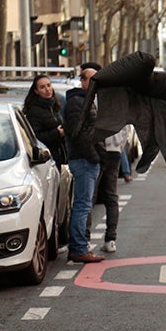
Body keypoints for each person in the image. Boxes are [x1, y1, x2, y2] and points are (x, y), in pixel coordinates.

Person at [64, 66, 104, 263]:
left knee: (84, 205)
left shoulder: (85, 100)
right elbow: (78, 133)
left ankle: (79, 246)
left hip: (86, 159)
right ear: (84, 81)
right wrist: (94, 156)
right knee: (82, 205)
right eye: (94, 79)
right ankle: (79, 248)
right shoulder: (76, 102)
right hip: (83, 160)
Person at [96, 126, 131, 253]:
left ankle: (85, 241)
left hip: (99, 149)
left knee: (90, 197)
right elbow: (126, 130)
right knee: (111, 196)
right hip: (114, 151)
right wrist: (118, 147)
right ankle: (110, 240)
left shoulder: (98, 105)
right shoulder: (120, 105)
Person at [23, 74, 67, 167]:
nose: (47, 89)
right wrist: (57, 133)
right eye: (42, 87)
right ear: (36, 91)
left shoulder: (54, 106)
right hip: (45, 160)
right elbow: (34, 138)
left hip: (59, 156)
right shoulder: (34, 111)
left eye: (49, 85)